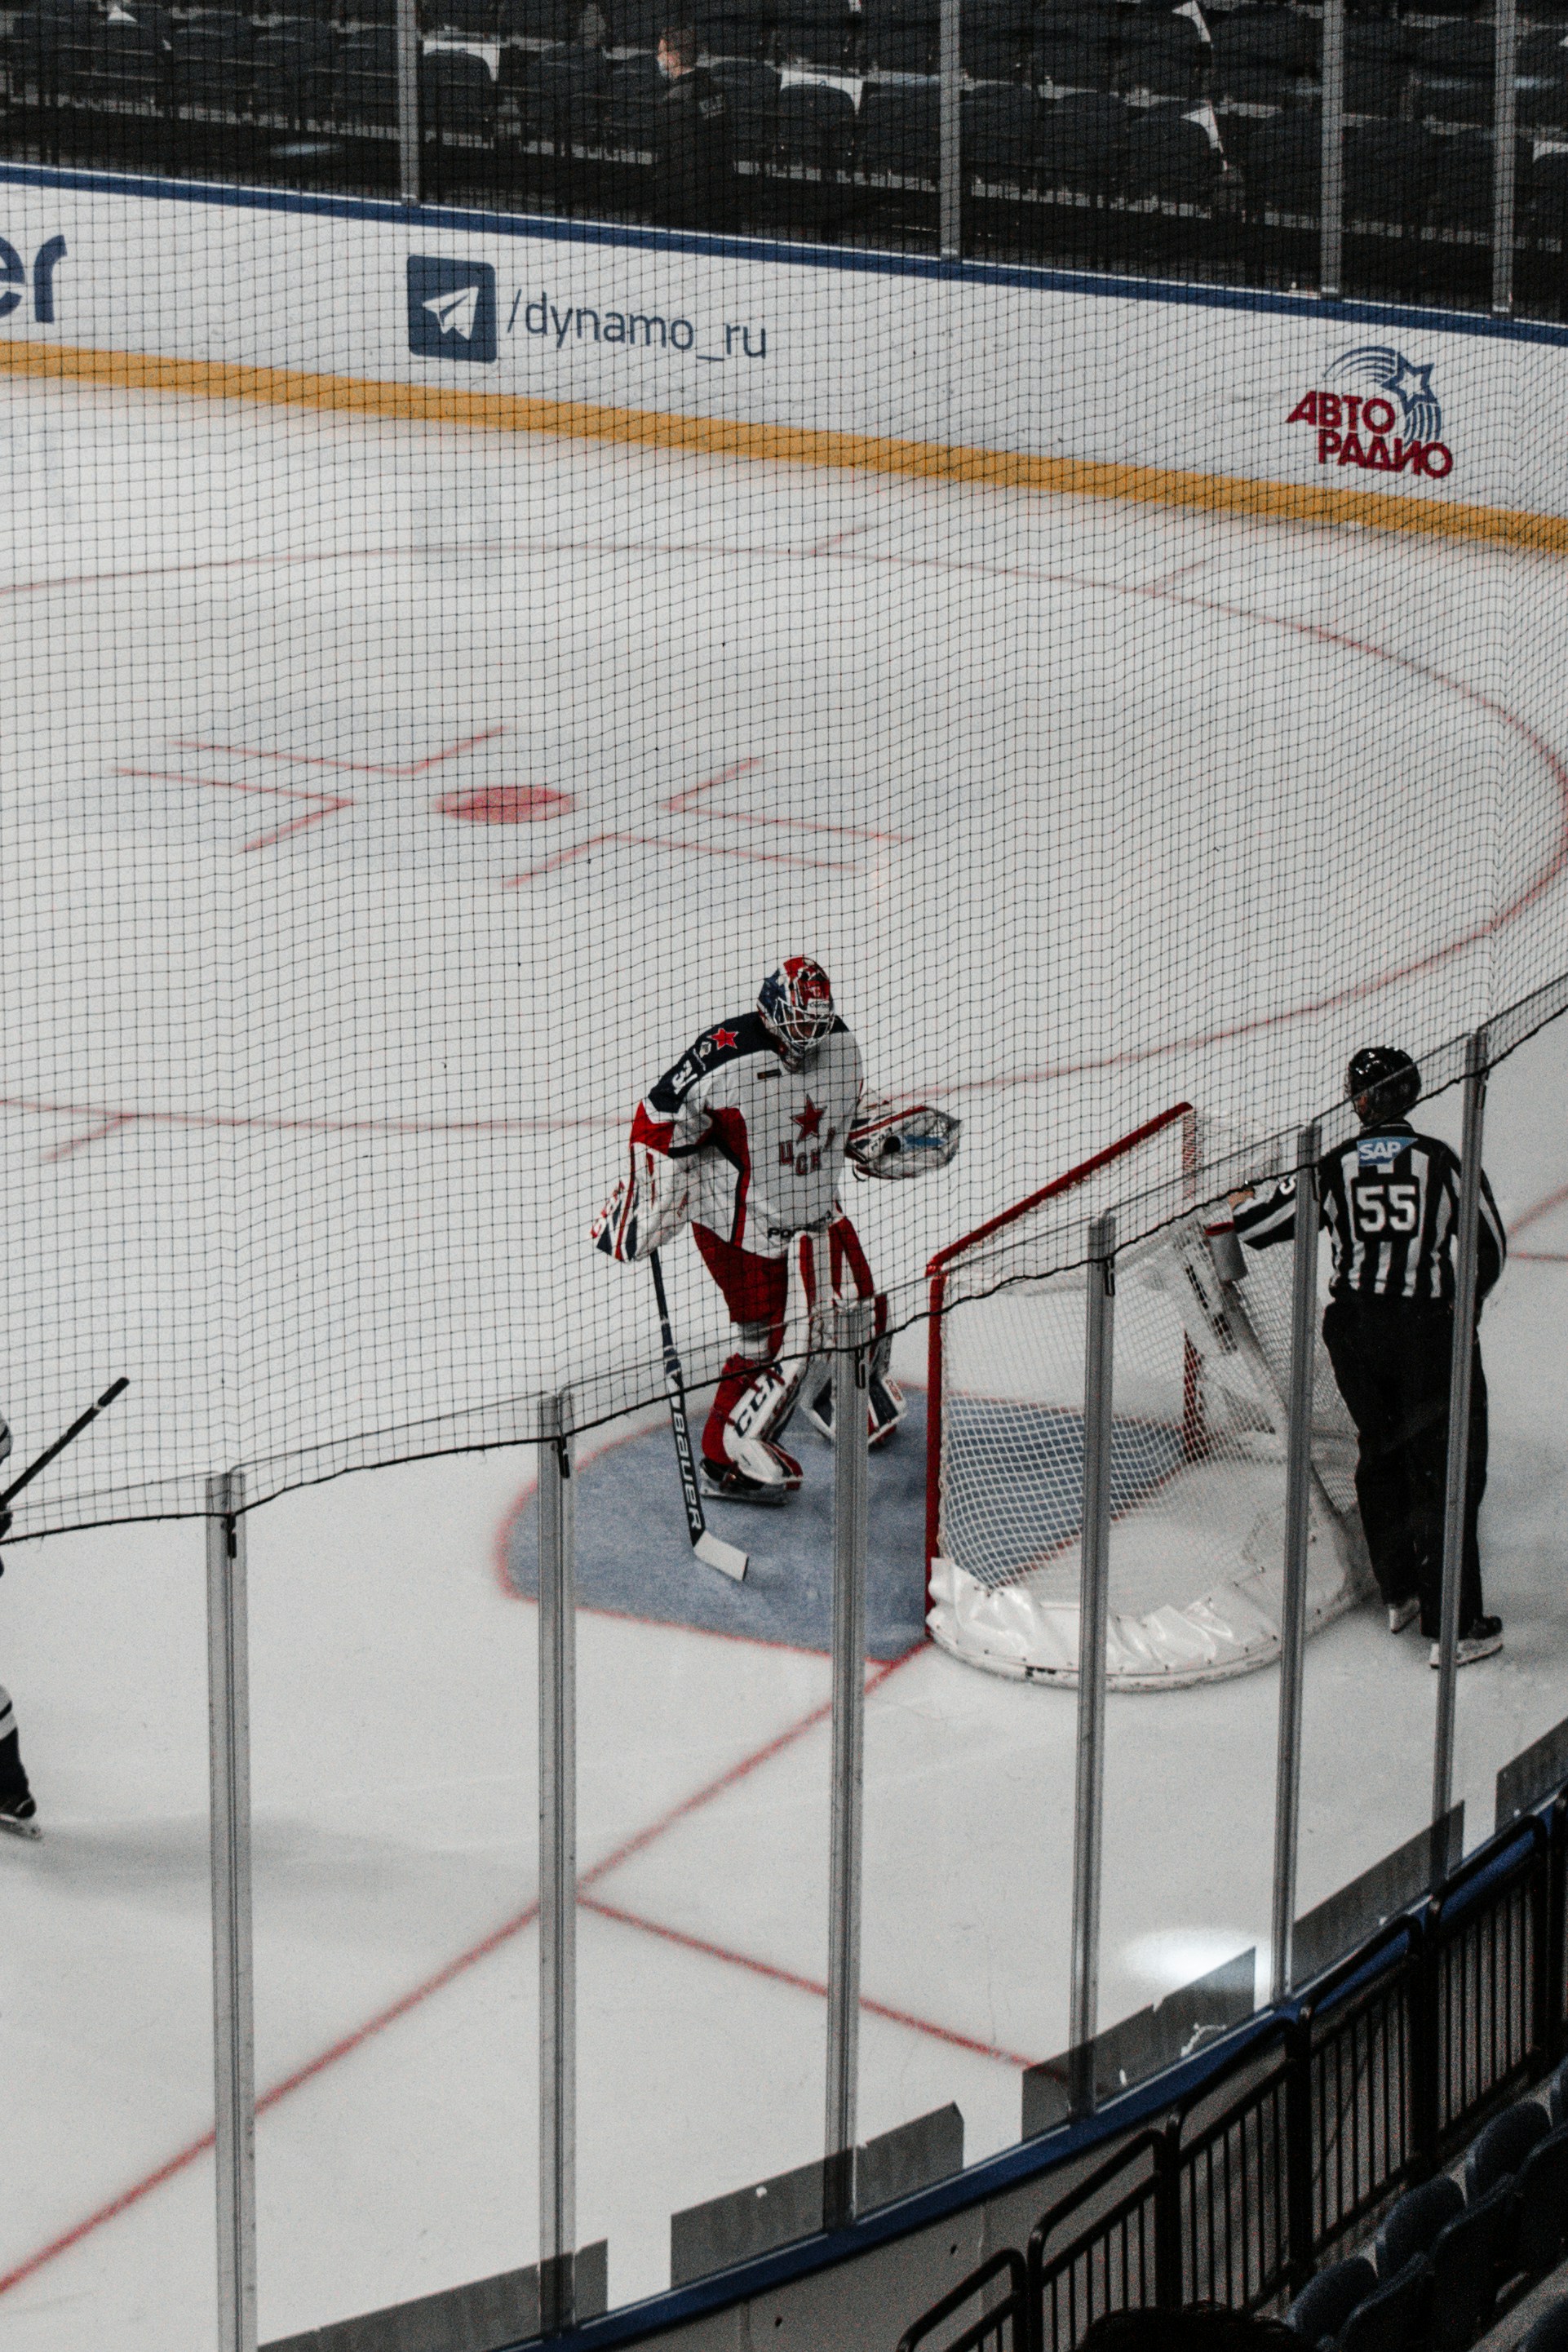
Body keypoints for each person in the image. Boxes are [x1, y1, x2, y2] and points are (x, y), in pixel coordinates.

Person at [593, 956, 959, 1504]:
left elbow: (847, 1111)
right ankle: (725, 1455)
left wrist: (885, 1137)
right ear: (772, 1010)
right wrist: (650, 1196)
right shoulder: (725, 1055)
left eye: (817, 1023)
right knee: (765, 1340)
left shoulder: (840, 1045)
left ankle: (837, 1394)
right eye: (799, 1022)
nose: (808, 1037)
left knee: (858, 1305)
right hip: (739, 1221)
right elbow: (660, 1115)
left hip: (813, 1200)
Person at [1234, 1045, 1506, 1668]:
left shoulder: (1334, 1165)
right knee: (1445, 1468)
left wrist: (1241, 1198)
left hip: (1356, 1335)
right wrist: (1463, 1315)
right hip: (1426, 1333)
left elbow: (1258, 1225)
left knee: (1380, 1453)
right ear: (1410, 1094)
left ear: (1359, 1102)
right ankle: (1455, 1626)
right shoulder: (1441, 1160)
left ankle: (1399, 1591)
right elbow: (1488, 1244)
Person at [653, 25, 733, 231]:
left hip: (688, 208)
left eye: (661, 52)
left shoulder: (676, 100)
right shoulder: (715, 89)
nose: (658, 58)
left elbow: (681, 160)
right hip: (720, 193)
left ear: (674, 57)